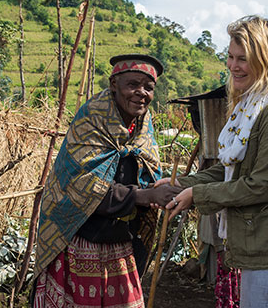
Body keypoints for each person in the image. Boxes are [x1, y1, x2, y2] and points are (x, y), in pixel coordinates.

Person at [160, 15, 268, 308]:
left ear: (265, 59)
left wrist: (197, 194)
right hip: (259, 242)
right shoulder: (250, 106)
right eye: (230, 57)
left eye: (242, 59)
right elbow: (232, 170)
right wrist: (182, 183)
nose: (233, 66)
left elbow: (261, 185)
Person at [32, 54, 182, 308]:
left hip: (122, 244)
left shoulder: (143, 127)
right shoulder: (91, 121)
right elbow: (82, 186)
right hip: (81, 241)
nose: (141, 93)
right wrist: (143, 196)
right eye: (132, 84)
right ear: (114, 85)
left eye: (148, 87)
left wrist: (160, 190)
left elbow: (149, 174)